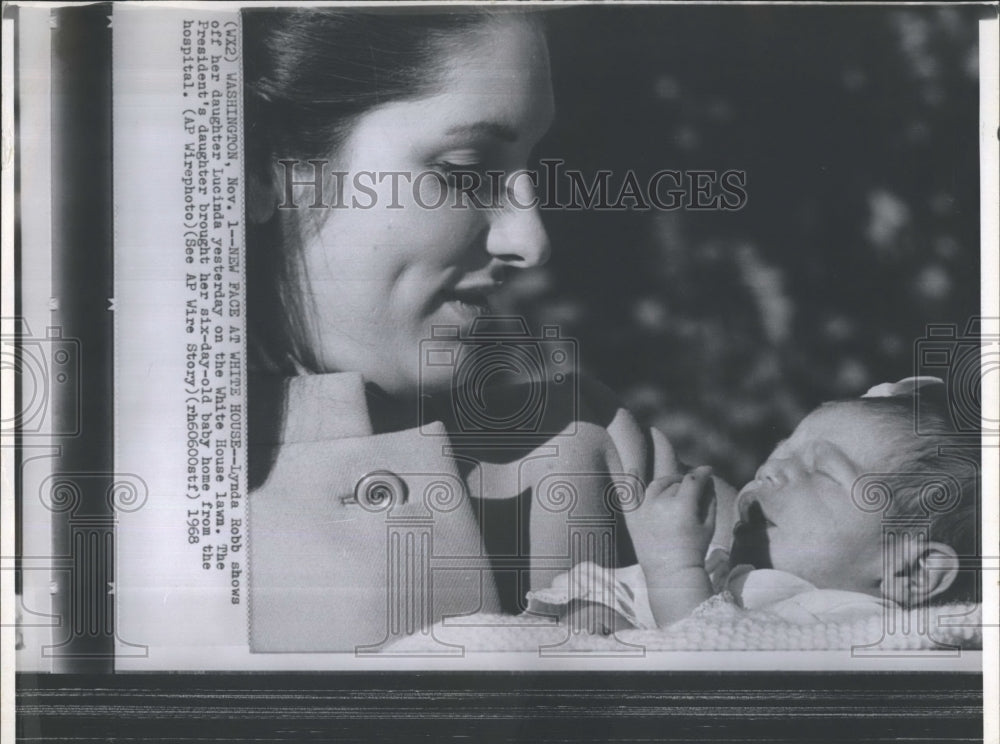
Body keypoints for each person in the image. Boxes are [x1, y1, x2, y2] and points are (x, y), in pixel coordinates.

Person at [241, 8, 736, 652]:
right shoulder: (144, 521)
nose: (530, 240)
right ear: (264, 168)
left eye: (532, 167)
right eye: (466, 170)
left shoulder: (589, 443)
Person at [529, 378, 979, 631]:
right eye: (779, 453)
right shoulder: (722, 569)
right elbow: (616, 590)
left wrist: (673, 568)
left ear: (912, 572)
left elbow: (725, 673)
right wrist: (595, 611)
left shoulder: (856, 624)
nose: (768, 471)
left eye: (821, 472)